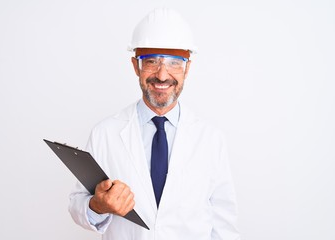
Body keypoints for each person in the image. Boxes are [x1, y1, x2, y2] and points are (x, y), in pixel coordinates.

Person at [68, 8, 240, 240]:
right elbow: (78, 204)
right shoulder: (105, 133)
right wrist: (98, 205)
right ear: (135, 66)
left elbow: (224, 226)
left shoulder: (210, 138)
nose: (162, 75)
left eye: (174, 63)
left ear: (187, 68)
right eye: (151, 61)